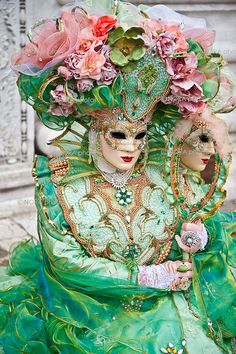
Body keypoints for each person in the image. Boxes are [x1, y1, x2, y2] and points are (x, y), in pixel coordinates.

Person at [0, 1, 235, 353]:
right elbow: (66, 261)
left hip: (171, 303)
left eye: (140, 135)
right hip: (93, 312)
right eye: (118, 134)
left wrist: (193, 238)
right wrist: (143, 277)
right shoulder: (60, 186)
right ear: (95, 129)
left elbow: (187, 220)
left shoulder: (162, 169)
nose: (132, 147)